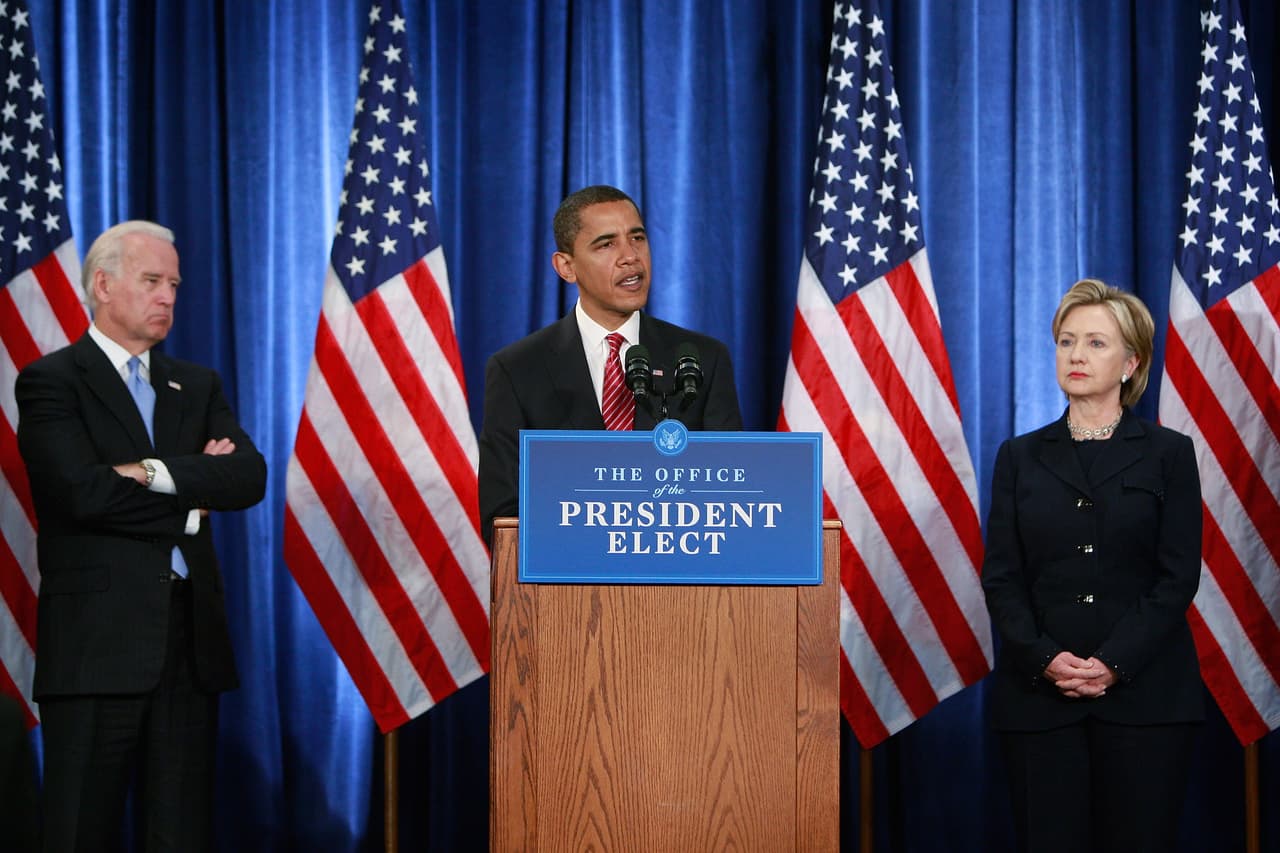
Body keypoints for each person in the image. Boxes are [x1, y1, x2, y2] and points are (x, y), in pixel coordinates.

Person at [15, 221, 267, 852]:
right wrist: (189, 502)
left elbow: (246, 477)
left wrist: (149, 472)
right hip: (97, 649)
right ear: (103, 284)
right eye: (152, 281)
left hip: (189, 647)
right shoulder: (53, 381)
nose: (169, 298)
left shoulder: (197, 383)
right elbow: (81, 494)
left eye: (174, 284)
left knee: (180, 836)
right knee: (79, 833)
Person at [981, 279, 1203, 853]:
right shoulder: (1018, 456)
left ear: (1131, 363)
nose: (1076, 355)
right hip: (1039, 703)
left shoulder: (1169, 454)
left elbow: (1177, 577)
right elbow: (1002, 577)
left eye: (1096, 344)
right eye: (1066, 341)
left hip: (1146, 703)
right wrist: (1046, 659)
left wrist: (1112, 663)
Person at [478, 185, 743, 539]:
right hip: (567, 587)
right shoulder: (518, 370)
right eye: (606, 244)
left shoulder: (701, 360)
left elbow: (732, 497)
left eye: (637, 238)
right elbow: (503, 517)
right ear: (566, 267)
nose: (630, 256)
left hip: (677, 586)